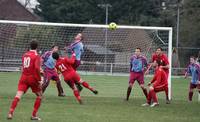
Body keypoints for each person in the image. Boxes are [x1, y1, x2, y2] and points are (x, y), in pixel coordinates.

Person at [7, 41, 43, 120]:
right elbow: (36, 68)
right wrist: (39, 79)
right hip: (32, 78)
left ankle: (10, 113)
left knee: (18, 95)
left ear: (30, 46)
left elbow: (24, 66)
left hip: (23, 77)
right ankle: (33, 115)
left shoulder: (25, 55)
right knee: (40, 96)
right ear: (37, 47)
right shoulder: (36, 56)